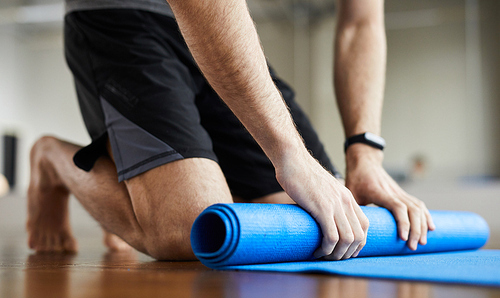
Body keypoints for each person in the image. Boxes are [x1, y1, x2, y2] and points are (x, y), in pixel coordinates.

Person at [26, 0, 434, 260]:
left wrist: (365, 156)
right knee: (197, 228)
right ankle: (51, 160)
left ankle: (139, 187)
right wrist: (289, 153)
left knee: (313, 223)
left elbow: (360, 23)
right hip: (120, 14)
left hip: (221, 27)